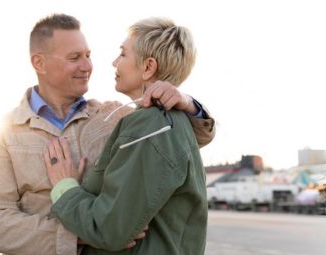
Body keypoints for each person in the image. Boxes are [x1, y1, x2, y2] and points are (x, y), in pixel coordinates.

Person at [0, 14, 216, 255]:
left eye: (88, 56)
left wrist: (186, 102)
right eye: (74, 58)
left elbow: (184, 140)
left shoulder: (116, 115)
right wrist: (77, 236)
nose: (87, 66)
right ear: (39, 63)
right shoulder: (3, 135)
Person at [45, 17, 206, 254]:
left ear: (148, 67)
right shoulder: (163, 121)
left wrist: (64, 187)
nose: (114, 62)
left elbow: (110, 229)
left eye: (122, 54)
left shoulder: (151, 126)